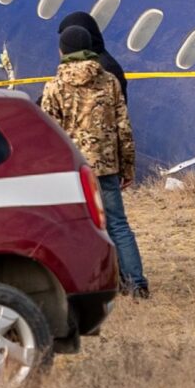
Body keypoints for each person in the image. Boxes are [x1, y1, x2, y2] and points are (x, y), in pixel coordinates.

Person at [42, 25, 148, 297]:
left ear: (62, 51)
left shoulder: (53, 86)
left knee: (77, 227)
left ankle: (89, 285)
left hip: (72, 169)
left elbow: (48, 135)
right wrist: (128, 167)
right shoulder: (110, 81)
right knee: (118, 224)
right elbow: (124, 127)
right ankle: (136, 283)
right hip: (106, 165)